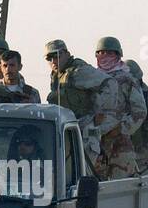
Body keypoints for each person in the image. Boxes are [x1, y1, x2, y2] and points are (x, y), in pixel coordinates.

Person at [46, 39, 111, 168]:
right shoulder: (56, 75)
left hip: (85, 129)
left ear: (67, 54)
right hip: (68, 129)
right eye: (50, 58)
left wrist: (99, 111)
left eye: (57, 56)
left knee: (84, 171)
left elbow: (109, 84)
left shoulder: (79, 71)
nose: (53, 61)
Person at [92, 36, 147, 179]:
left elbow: (140, 111)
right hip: (95, 144)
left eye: (109, 53)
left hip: (120, 144)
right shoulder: (91, 79)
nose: (104, 57)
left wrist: (120, 129)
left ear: (118, 55)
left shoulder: (127, 79)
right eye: (101, 53)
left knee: (122, 189)